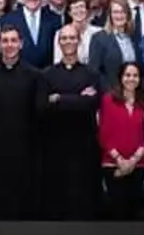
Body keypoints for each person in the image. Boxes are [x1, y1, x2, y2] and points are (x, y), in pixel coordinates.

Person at [0, 27, 45, 220]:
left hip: (24, 149)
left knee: (23, 198)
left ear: (21, 44)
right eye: (5, 41)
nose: (9, 45)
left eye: (13, 41)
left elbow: (39, 113)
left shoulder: (34, 75)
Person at [40, 25, 102, 220]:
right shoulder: (46, 74)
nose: (68, 42)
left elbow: (91, 104)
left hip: (84, 145)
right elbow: (44, 106)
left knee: (83, 198)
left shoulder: (91, 73)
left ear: (79, 41)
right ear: (59, 43)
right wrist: (77, 99)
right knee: (56, 198)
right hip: (55, 145)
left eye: (72, 38)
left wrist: (59, 98)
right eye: (64, 38)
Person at [98, 63, 144, 221]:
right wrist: (120, 160)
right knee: (117, 210)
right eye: (127, 75)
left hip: (139, 164)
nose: (131, 79)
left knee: (134, 210)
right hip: (113, 164)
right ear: (121, 78)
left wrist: (133, 160)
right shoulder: (108, 100)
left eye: (135, 76)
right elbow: (103, 133)